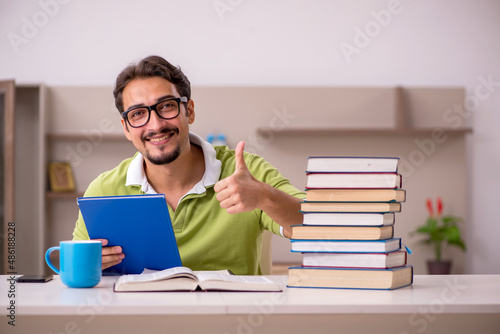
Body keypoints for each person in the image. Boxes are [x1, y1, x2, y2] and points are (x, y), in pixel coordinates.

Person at [72, 55, 305, 275]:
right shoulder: (104, 191)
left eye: (166, 107)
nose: (155, 125)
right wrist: (87, 264)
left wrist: (265, 196)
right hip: (142, 317)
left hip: (228, 316)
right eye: (138, 113)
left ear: (189, 111)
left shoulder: (244, 173)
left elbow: (319, 229)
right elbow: (74, 269)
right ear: (126, 127)